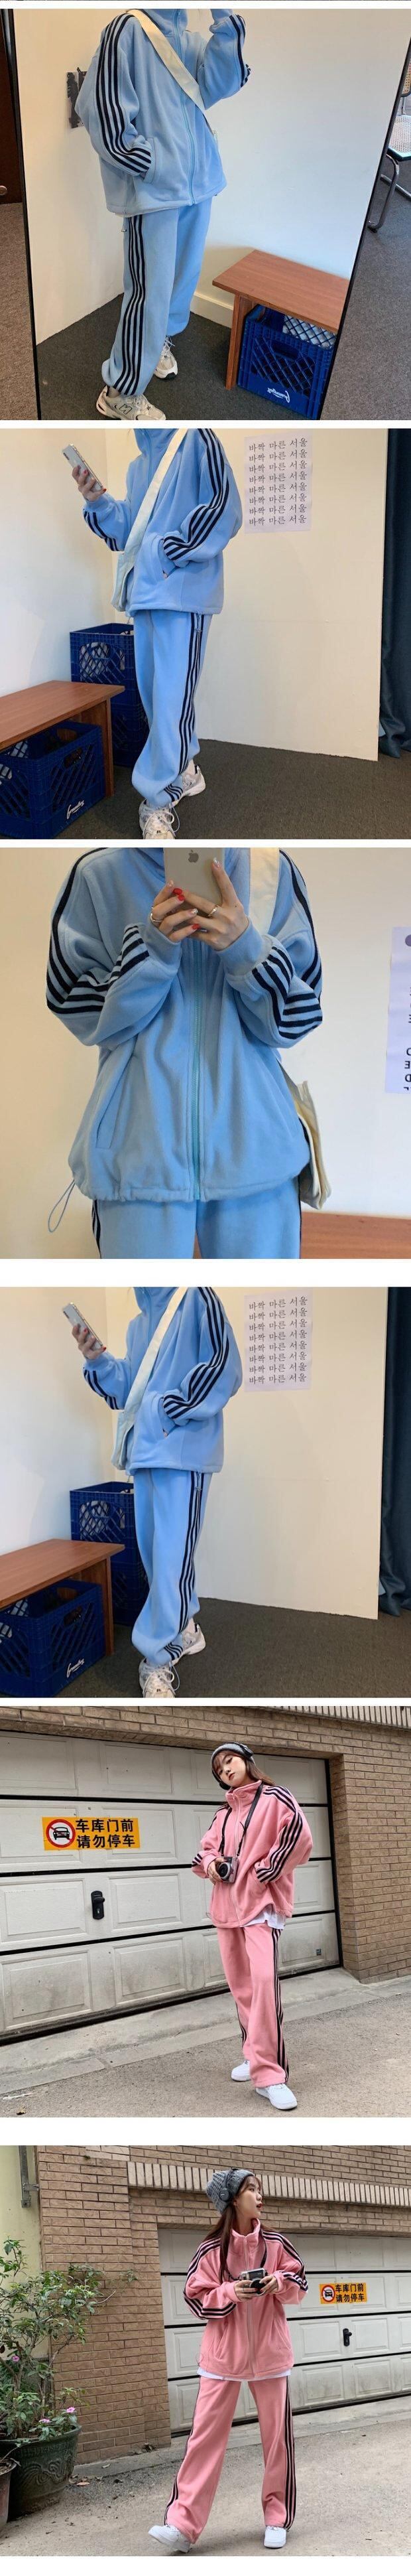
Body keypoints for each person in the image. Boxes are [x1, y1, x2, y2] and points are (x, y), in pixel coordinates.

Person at [46, 844, 322, 1257]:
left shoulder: (271, 871)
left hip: (257, 1155)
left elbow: (298, 1017)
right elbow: (76, 1007)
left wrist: (246, 949)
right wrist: (150, 951)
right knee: (146, 1298)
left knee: (256, 1298)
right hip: (137, 1161)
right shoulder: (97, 875)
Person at [76, 8, 250, 420]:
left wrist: (225, 23)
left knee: (182, 279)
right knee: (148, 292)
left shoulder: (189, 39)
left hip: (198, 184)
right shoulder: (127, 30)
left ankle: (157, 346)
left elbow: (223, 84)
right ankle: (120, 392)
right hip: (154, 191)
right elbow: (100, 110)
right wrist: (149, 164)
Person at [71, 1285, 241, 1697]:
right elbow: (129, 1391)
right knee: (159, 1557)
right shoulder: (139, 1323)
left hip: (182, 1452)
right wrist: (97, 1360)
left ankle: (157, 1658)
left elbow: (224, 1365)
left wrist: (165, 1410)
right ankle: (185, 1628)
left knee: (170, 1559)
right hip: (145, 1453)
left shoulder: (196, 1297)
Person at [72, 426, 241, 835]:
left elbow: (224, 506)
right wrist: (98, 502)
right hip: (145, 595)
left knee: (170, 700)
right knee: (158, 700)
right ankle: (185, 769)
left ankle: (158, 798)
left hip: (182, 593)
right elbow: (129, 534)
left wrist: (167, 551)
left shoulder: (196, 439)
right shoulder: (139, 465)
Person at [149, 2167, 308, 2551]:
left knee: (277, 2442)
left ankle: (277, 2517)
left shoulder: (276, 2243)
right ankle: (182, 2525)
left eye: (259, 2188)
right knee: (203, 2440)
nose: (259, 2195)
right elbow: (196, 2298)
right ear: (233, 2199)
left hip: (270, 2356)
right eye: (251, 2189)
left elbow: (300, 2282)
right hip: (221, 2358)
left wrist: (278, 2283)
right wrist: (232, 2292)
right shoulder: (210, 2250)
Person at [192, 1740, 313, 2108]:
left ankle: (270, 2075)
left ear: (247, 1761)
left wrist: (263, 1873)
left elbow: (300, 1837)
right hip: (226, 1910)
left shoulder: (276, 1797)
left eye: (230, 1761)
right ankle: (253, 2054)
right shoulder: (223, 1813)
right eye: (219, 1769)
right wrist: (212, 1865)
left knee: (263, 1986)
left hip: (261, 1906)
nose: (226, 1770)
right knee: (242, 1989)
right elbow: (203, 1852)